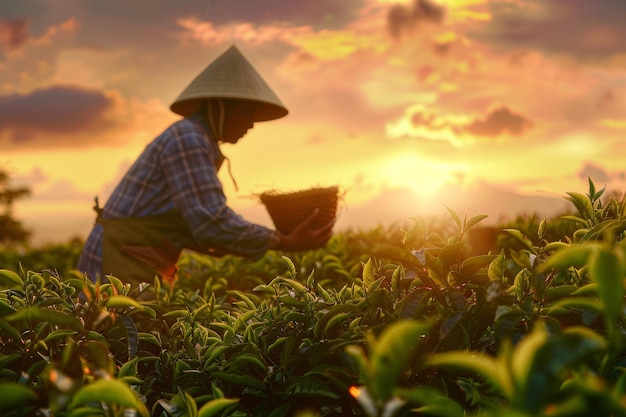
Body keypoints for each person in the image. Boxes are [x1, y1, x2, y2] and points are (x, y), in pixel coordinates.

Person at [76, 45, 334, 294]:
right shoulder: (189, 139)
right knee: (121, 335)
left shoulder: (194, 139)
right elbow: (210, 222)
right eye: (246, 113)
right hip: (117, 261)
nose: (251, 124)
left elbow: (195, 225)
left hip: (134, 256)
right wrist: (281, 241)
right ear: (220, 106)